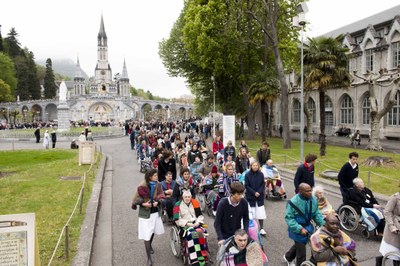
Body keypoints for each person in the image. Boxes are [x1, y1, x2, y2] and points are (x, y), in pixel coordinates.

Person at [283, 183, 325, 266]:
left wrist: (323, 224)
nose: (310, 192)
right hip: (297, 229)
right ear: (301, 191)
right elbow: (289, 218)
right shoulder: (293, 202)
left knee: (301, 245)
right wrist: (300, 229)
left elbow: (316, 214)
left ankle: (288, 257)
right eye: (307, 191)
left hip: (308, 227)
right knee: (301, 254)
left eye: (310, 190)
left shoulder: (313, 200)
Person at [131, 169, 165, 266]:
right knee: (146, 234)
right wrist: (143, 203)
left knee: (152, 231)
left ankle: (149, 245)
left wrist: (157, 202)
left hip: (155, 212)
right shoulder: (142, 186)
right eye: (155, 175)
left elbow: (162, 196)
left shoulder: (158, 185)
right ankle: (149, 259)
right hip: (145, 214)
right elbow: (135, 199)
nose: (156, 177)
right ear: (150, 177)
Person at [173, 190, 209, 265]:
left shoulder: (195, 203)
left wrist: (197, 222)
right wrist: (188, 224)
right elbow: (177, 220)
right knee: (194, 235)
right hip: (185, 226)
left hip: (196, 223)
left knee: (201, 233)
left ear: (191, 197)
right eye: (185, 197)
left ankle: (203, 256)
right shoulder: (178, 205)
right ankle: (195, 259)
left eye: (189, 197)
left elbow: (200, 215)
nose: (187, 198)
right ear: (182, 197)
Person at [214, 182, 249, 246]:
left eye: (242, 194)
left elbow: (246, 219)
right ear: (232, 193)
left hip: (237, 233)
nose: (241, 196)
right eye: (238, 194)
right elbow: (217, 223)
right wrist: (220, 238)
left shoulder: (244, 203)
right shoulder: (223, 203)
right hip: (224, 234)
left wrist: (245, 233)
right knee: (226, 254)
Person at [377, 183, 400, 266]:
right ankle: (380, 260)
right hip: (395, 226)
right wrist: (392, 226)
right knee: (393, 251)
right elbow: (387, 212)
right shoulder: (395, 198)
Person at [245, 161, 267, 236]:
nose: (255, 167)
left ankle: (261, 228)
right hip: (251, 196)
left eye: (256, 165)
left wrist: (259, 192)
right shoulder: (247, 174)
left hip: (259, 196)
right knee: (252, 214)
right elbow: (247, 186)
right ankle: (253, 228)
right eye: (253, 165)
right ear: (251, 166)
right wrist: (254, 193)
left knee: (261, 213)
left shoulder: (261, 174)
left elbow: (262, 184)